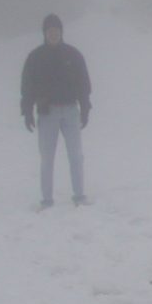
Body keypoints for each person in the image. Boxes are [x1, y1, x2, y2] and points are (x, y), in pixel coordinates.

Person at [21, 14, 92, 209]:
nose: (53, 34)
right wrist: (27, 110)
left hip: (70, 111)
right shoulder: (35, 57)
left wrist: (85, 106)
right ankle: (47, 200)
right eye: (50, 31)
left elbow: (83, 83)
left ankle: (79, 196)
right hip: (47, 113)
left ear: (61, 32)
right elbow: (27, 85)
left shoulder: (73, 55)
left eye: (57, 31)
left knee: (76, 155)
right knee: (47, 158)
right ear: (45, 33)